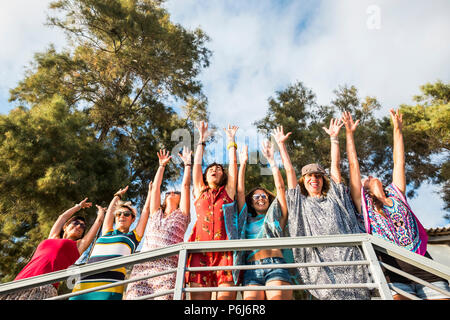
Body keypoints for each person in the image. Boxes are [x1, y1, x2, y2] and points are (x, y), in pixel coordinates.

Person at [342, 109, 450, 300]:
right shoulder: (364, 205)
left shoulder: (396, 194)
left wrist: (397, 129)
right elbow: (353, 167)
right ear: (363, 188)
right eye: (366, 179)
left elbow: (399, 162)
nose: (369, 177)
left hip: (424, 264)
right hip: (392, 269)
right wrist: (349, 134)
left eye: (371, 177)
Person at [275, 123, 371, 300]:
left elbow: (335, 168)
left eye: (318, 176)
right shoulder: (299, 203)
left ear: (323, 180)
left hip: (349, 260)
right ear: (303, 181)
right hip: (321, 264)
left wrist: (334, 139)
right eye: (309, 176)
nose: (314, 179)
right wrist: (281, 145)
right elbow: (289, 172)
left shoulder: (335, 198)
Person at [222, 141, 294, 300]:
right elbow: (240, 193)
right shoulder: (245, 220)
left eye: (264, 196)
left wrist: (272, 161)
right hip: (251, 269)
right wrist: (243, 163)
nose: (261, 198)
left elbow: (281, 189)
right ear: (251, 201)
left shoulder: (277, 218)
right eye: (256, 196)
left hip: (276, 266)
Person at [1, 198, 104, 300]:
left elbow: (98, 222)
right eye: (76, 223)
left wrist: (101, 213)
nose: (79, 226)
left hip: (43, 287)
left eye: (82, 226)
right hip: (20, 281)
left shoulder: (78, 246)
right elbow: (62, 217)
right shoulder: (53, 236)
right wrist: (78, 206)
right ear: (65, 227)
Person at [125, 147, 192, 300]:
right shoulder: (155, 213)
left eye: (176, 193)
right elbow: (155, 188)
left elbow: (186, 186)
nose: (172, 193)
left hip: (168, 270)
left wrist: (187, 165)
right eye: (168, 192)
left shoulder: (182, 215)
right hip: (143, 269)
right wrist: (161, 166)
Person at [185, 121, 238, 300]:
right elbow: (197, 166)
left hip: (225, 252)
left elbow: (233, 166)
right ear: (206, 176)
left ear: (223, 176)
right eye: (212, 169)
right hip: (199, 253)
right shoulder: (200, 190)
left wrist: (231, 142)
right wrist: (201, 139)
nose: (215, 170)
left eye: (219, 169)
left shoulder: (228, 192)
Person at [70, 184, 151, 300]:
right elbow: (109, 212)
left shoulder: (134, 236)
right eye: (118, 214)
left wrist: (150, 192)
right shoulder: (107, 231)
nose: (122, 216)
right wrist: (117, 196)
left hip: (110, 286)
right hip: (84, 283)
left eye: (126, 214)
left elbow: (146, 211)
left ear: (133, 219)